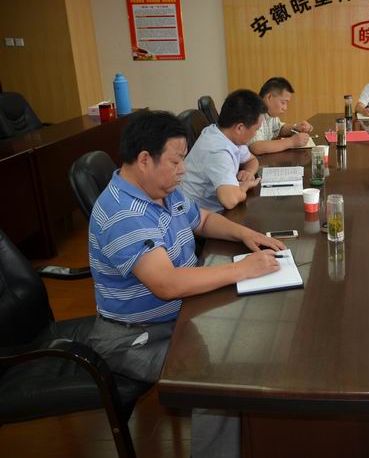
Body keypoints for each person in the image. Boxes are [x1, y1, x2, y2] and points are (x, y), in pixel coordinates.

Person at [86, 110, 286, 458]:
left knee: (249, 343)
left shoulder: (161, 189)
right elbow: (167, 284)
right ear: (144, 160)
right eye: (176, 161)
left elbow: (202, 219)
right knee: (214, 381)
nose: (183, 170)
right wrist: (242, 270)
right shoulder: (123, 214)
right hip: (133, 337)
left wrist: (246, 235)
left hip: (177, 314)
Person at [181, 89, 264, 212]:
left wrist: (249, 172)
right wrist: (245, 186)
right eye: (256, 129)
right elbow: (230, 201)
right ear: (240, 128)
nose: (255, 134)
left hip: (212, 210)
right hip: (194, 216)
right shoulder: (217, 150)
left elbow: (252, 160)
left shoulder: (226, 134)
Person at [248, 76, 314, 155]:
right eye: (283, 102)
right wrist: (291, 142)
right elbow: (256, 147)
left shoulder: (270, 113)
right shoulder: (253, 112)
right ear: (269, 97)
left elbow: (279, 129)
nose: (285, 108)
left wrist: (296, 127)